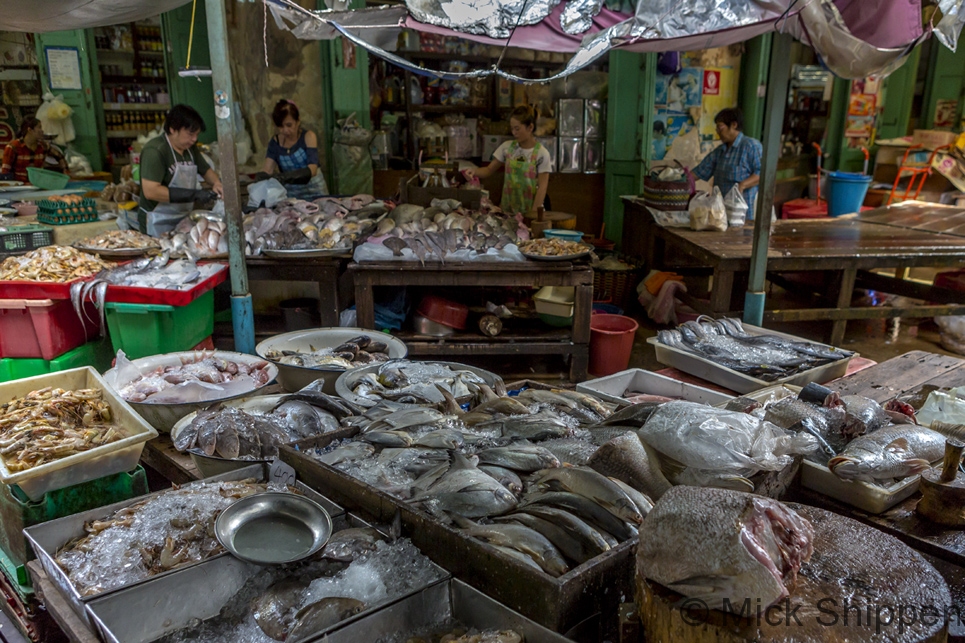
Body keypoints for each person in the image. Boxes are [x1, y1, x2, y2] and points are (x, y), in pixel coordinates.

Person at [132, 105, 223, 236]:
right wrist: (194, 194)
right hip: (157, 222)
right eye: (190, 134)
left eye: (197, 134)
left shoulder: (190, 149)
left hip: (183, 219)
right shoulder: (155, 151)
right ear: (172, 129)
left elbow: (206, 170)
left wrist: (217, 183)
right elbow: (151, 191)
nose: (194, 139)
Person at [465, 105, 550, 215]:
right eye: (512, 128)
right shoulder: (507, 147)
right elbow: (489, 169)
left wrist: (533, 214)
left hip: (529, 210)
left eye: (517, 128)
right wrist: (474, 171)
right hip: (507, 211)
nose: (514, 132)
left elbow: (542, 187)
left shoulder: (541, 153)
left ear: (530, 127)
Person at [692, 108, 762, 219]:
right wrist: (677, 178)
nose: (717, 132)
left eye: (720, 127)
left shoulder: (751, 146)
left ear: (734, 125)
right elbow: (700, 171)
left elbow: (762, 173)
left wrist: (742, 185)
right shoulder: (720, 151)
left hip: (743, 215)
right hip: (721, 214)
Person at [256, 99, 327, 199]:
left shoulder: (308, 137)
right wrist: (261, 179)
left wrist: (286, 177)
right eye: (280, 126)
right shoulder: (275, 143)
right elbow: (268, 170)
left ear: (298, 121)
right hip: (292, 195)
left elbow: (313, 169)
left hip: (316, 191)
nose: (285, 130)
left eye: (289, 125)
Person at [0, 118, 67, 182]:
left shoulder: (43, 146)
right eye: (39, 127)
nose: (42, 131)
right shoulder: (13, 147)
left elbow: (59, 156)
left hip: (37, 185)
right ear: (30, 130)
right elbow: (5, 173)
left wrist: (65, 172)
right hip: (18, 187)